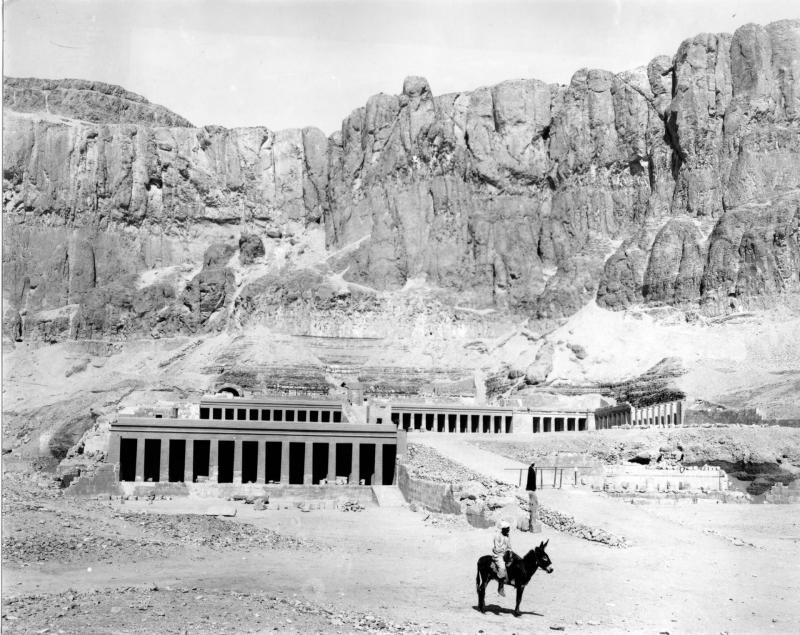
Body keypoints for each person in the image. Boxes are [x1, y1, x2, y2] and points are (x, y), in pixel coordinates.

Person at [492, 521, 512, 596]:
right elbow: (497, 549)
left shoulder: (507, 536)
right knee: (502, 568)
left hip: (505, 553)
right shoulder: (497, 536)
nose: (508, 530)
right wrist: (504, 552)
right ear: (503, 529)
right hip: (498, 555)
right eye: (507, 528)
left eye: (509, 528)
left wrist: (509, 552)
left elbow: (509, 547)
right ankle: (500, 587)